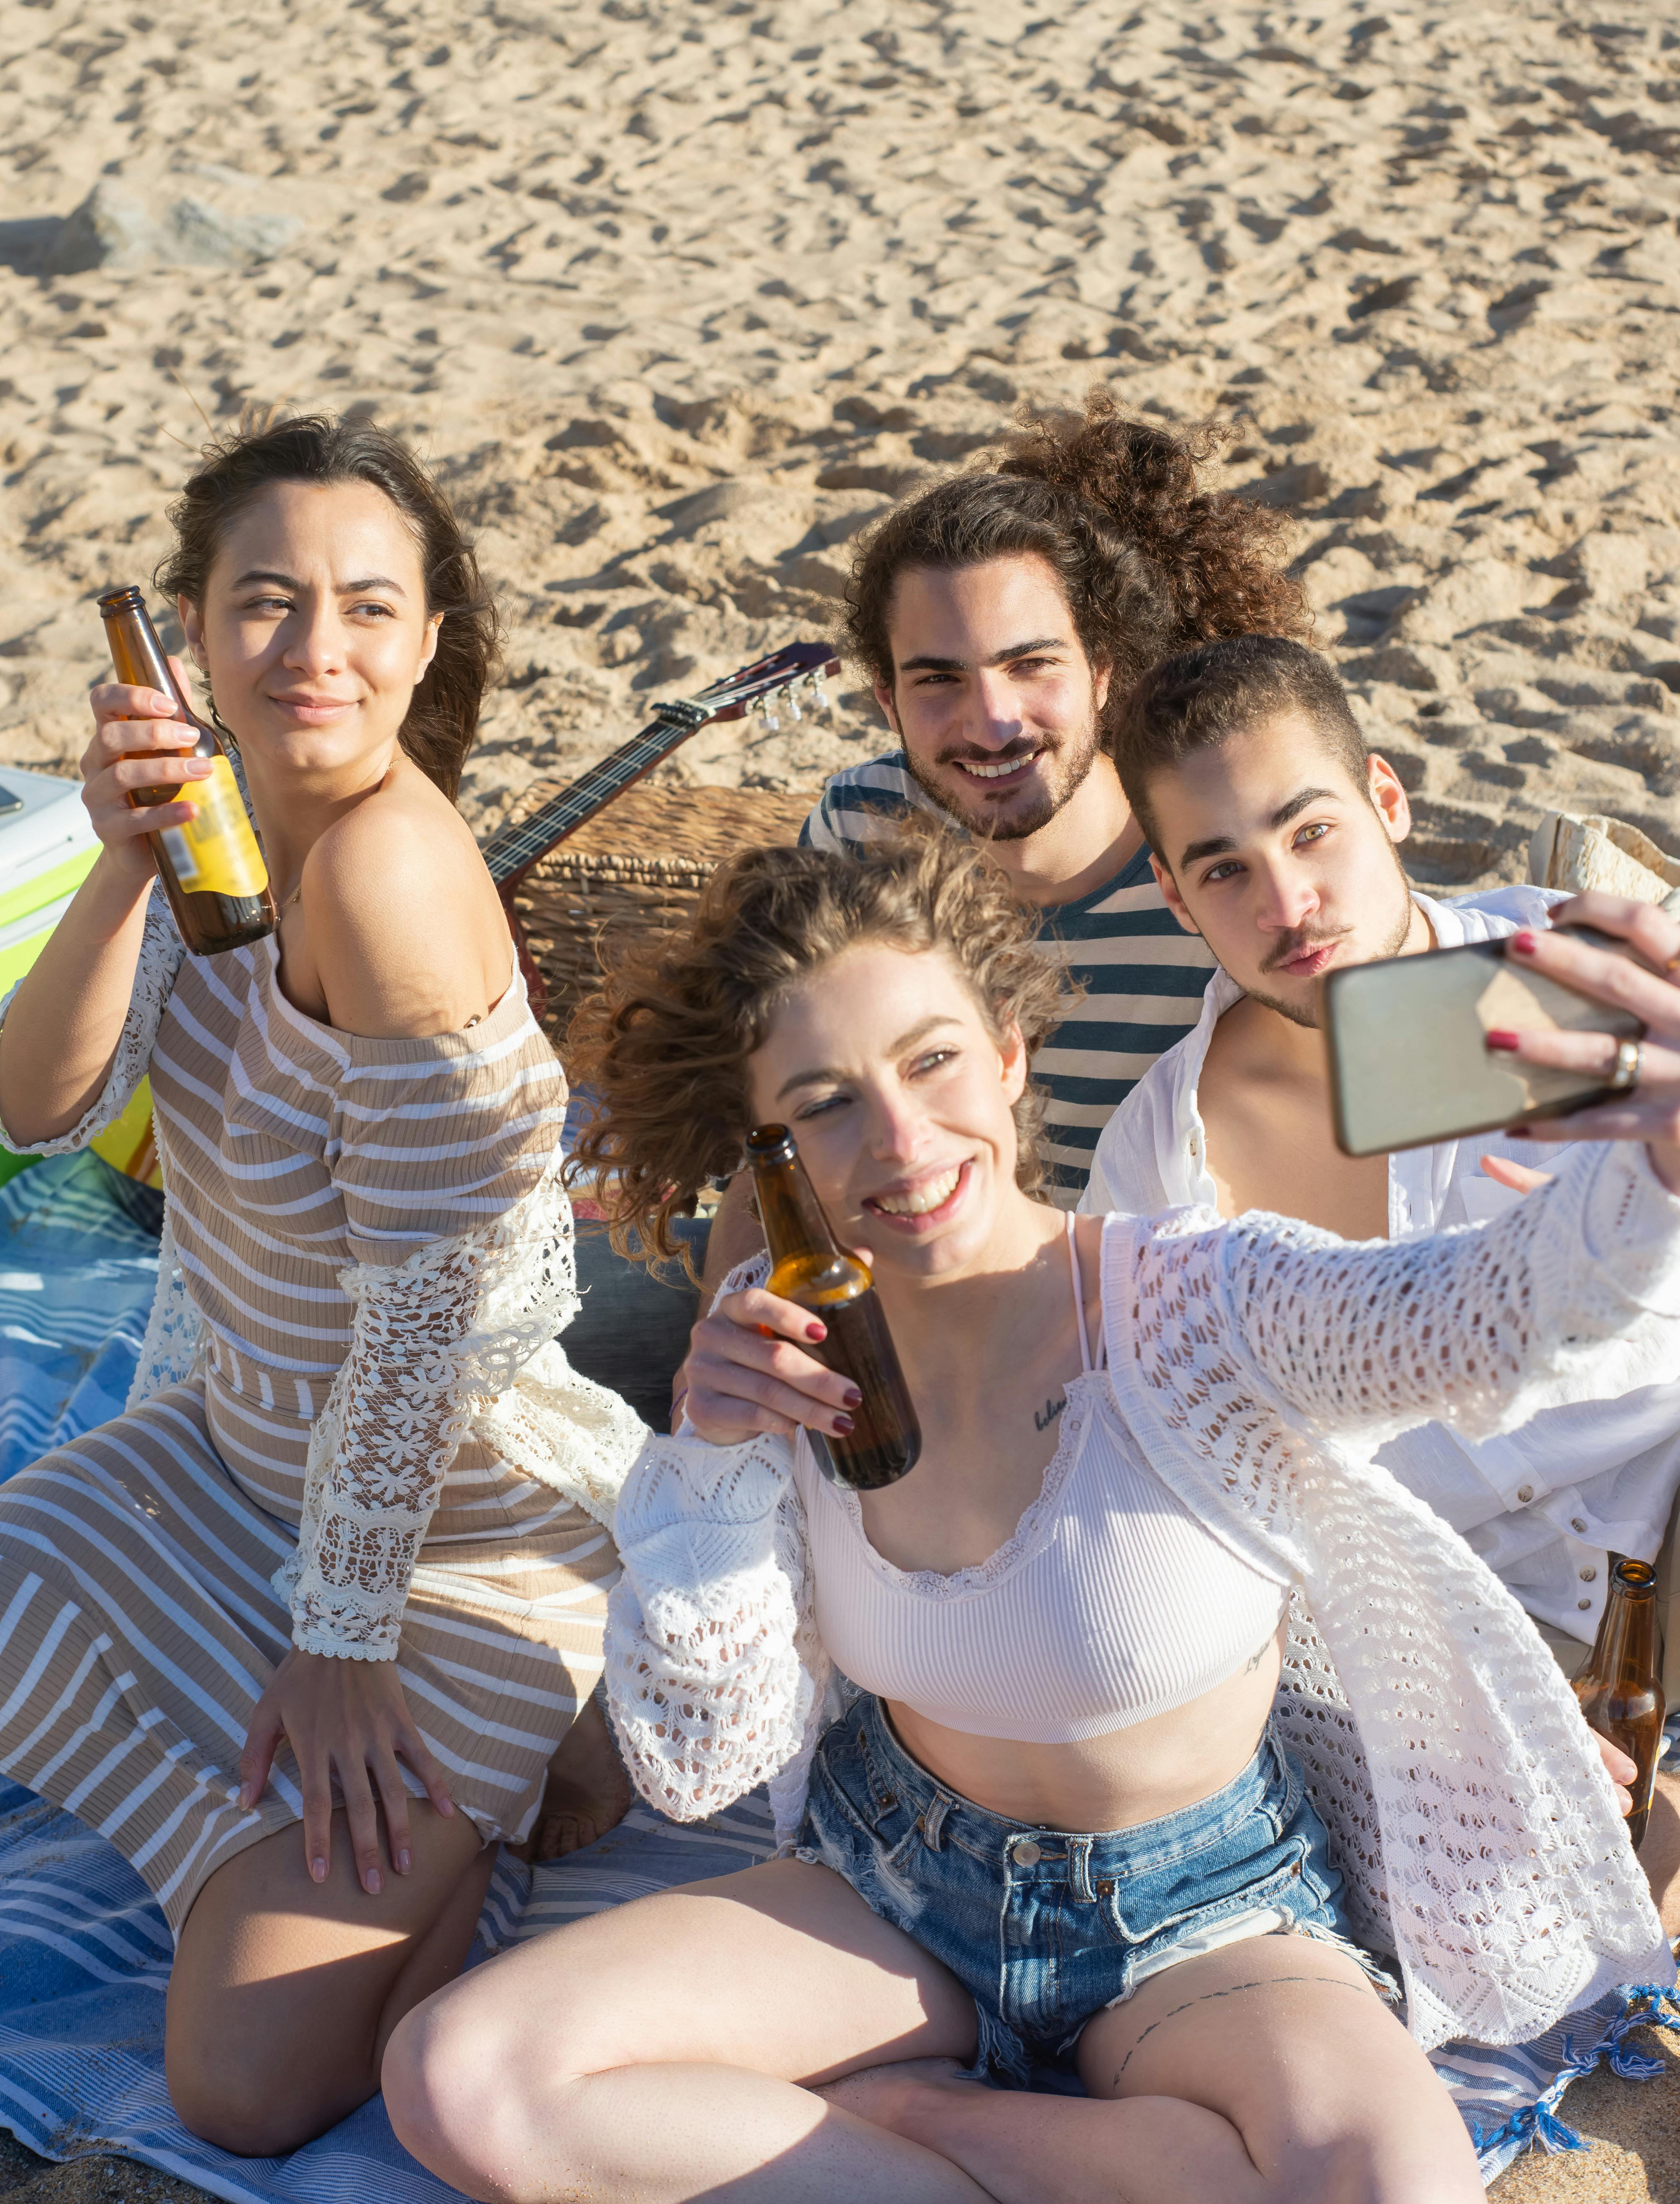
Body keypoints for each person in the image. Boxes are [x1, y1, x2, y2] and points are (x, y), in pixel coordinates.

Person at [383, 825, 1680, 2204]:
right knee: (461, 2077)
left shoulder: (1197, 1304)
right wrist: (701, 1463)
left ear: (1006, 1053)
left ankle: (941, 2125)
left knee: (1395, 2180)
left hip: (1204, 1912)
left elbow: (1494, 1314)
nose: (897, 1136)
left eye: (929, 1059)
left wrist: (1657, 1161)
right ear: (767, 1145)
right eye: (824, 1101)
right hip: (894, 1882)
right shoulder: (783, 1351)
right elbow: (704, 1758)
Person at [0, 417, 648, 2155]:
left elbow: (431, 1311)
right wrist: (117, 860)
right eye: (267, 602)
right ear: (195, 631)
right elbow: (40, 1105)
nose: (316, 649)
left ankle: (457, 1784)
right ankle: (262, 1844)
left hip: (453, 1523)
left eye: (368, 606)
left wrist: (342, 1641)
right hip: (233, 1462)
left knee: (242, 2085)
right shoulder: (216, 847)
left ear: (429, 641)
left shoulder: (385, 868)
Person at [1085, 635, 1680, 1913]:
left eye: (1310, 834)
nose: (1284, 903)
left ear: (1389, 804)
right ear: (1177, 900)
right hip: (1421, 1631)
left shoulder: (1566, 990)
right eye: (1224, 869)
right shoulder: (1165, 1147)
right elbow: (1165, 1469)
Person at [697, 391, 1311, 1294]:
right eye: (938, 679)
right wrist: (725, 1326)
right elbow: (776, 1157)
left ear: (1104, 672)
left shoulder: (1215, 858)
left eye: (1030, 665)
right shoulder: (862, 826)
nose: (990, 722)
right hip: (923, 1304)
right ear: (886, 701)